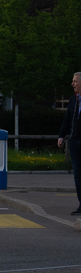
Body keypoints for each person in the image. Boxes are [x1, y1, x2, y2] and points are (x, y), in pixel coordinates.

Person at [58, 72, 81, 215]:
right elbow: (67, 119)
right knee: (78, 175)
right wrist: (61, 136)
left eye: (75, 81)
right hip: (74, 142)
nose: (72, 84)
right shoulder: (74, 99)